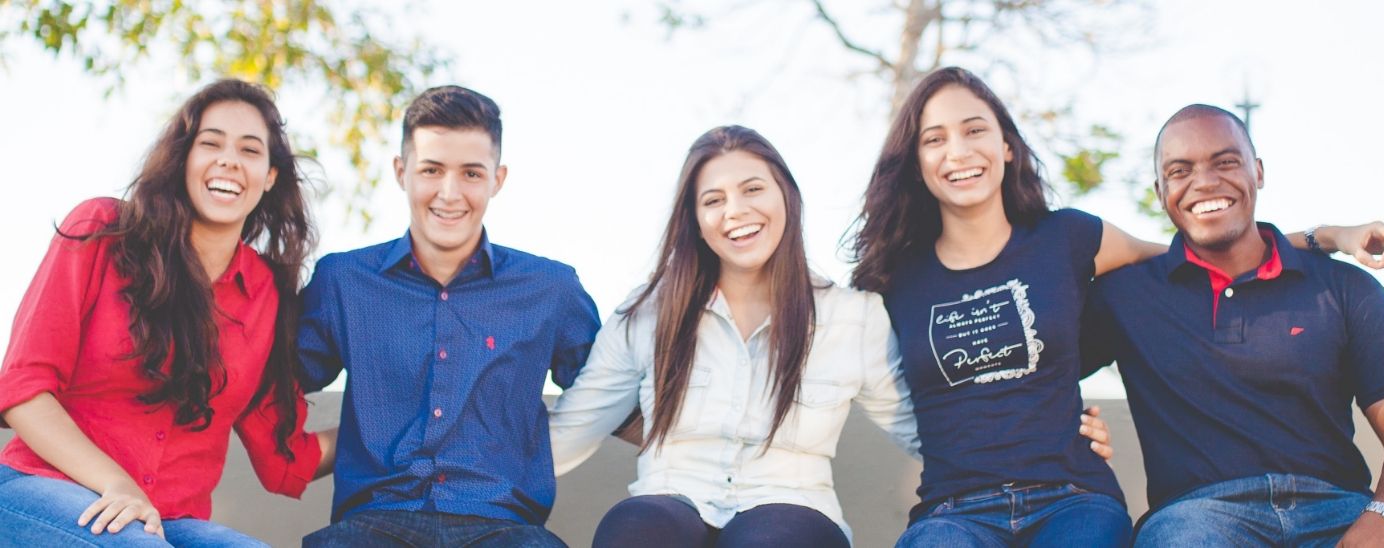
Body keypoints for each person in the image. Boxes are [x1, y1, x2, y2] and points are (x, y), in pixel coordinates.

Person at [846, 67, 1384, 547]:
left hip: (1073, 498)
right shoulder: (894, 278)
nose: (959, 151)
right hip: (962, 509)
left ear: (1007, 145)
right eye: (935, 138)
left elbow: (1208, 243)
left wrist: (1327, 235)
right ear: (915, 158)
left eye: (975, 130)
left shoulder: (1069, 238)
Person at [547, 125, 1117, 547]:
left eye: (753, 190)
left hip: (792, 505)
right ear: (695, 220)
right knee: (634, 530)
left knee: (772, 540)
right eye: (713, 200)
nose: (736, 212)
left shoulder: (852, 318)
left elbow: (935, 429)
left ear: (786, 198)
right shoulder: (647, 314)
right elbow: (572, 429)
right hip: (671, 494)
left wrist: (1053, 432)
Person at [1081, 104, 1384, 547]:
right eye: (1180, 169)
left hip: (1338, 511)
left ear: (1259, 172)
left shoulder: (1344, 287)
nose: (1205, 181)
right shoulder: (1125, 295)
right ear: (1160, 191)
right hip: (1199, 519)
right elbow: (1027, 375)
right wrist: (1074, 427)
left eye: (1225, 161)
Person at [0, 79, 334, 546]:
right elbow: (22, 389)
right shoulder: (102, 232)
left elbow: (285, 461)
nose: (229, 161)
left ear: (271, 176)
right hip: (42, 489)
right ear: (184, 160)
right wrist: (117, 484)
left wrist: (396, 425)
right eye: (210, 143)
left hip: (171, 523)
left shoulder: (267, 297)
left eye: (250, 150)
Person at [296, 85, 601, 547]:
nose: (450, 192)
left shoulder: (550, 289)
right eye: (432, 170)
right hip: (371, 525)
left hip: (506, 529)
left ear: (498, 180)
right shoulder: (343, 280)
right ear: (402, 172)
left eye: (471, 173)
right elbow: (270, 380)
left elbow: (613, 392)